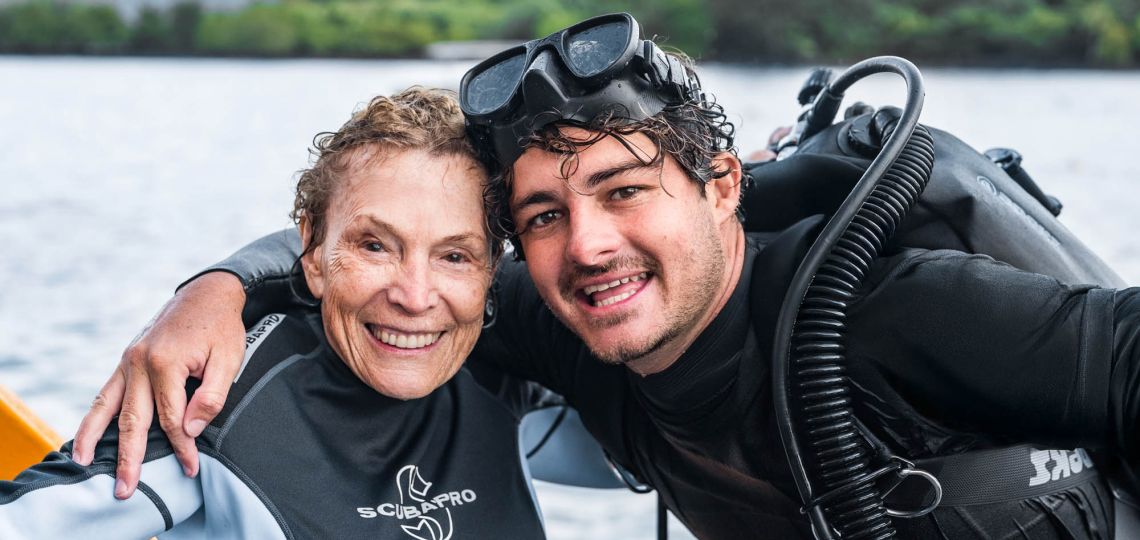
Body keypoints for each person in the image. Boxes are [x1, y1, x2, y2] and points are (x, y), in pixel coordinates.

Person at [74, 13, 1140, 539]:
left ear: (723, 185)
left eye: (626, 192)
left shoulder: (886, 315)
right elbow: (380, 259)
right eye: (544, 214)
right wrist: (212, 288)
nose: (586, 244)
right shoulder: (562, 320)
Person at [0, 88, 551, 539]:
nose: (414, 295)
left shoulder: (508, 372)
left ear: (490, 268)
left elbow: (628, 456)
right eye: (375, 247)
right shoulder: (220, 402)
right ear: (311, 252)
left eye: (454, 256)